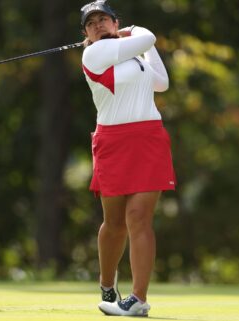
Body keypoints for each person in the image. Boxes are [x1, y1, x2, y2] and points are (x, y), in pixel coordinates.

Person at [80, 0, 176, 317]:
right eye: (90, 23)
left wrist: (132, 41)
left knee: (139, 219)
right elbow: (148, 37)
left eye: (102, 19)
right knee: (115, 223)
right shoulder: (93, 54)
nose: (97, 25)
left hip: (148, 137)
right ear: (86, 35)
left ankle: (138, 298)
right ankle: (108, 283)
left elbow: (161, 82)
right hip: (112, 141)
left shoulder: (132, 55)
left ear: (114, 21)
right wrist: (131, 31)